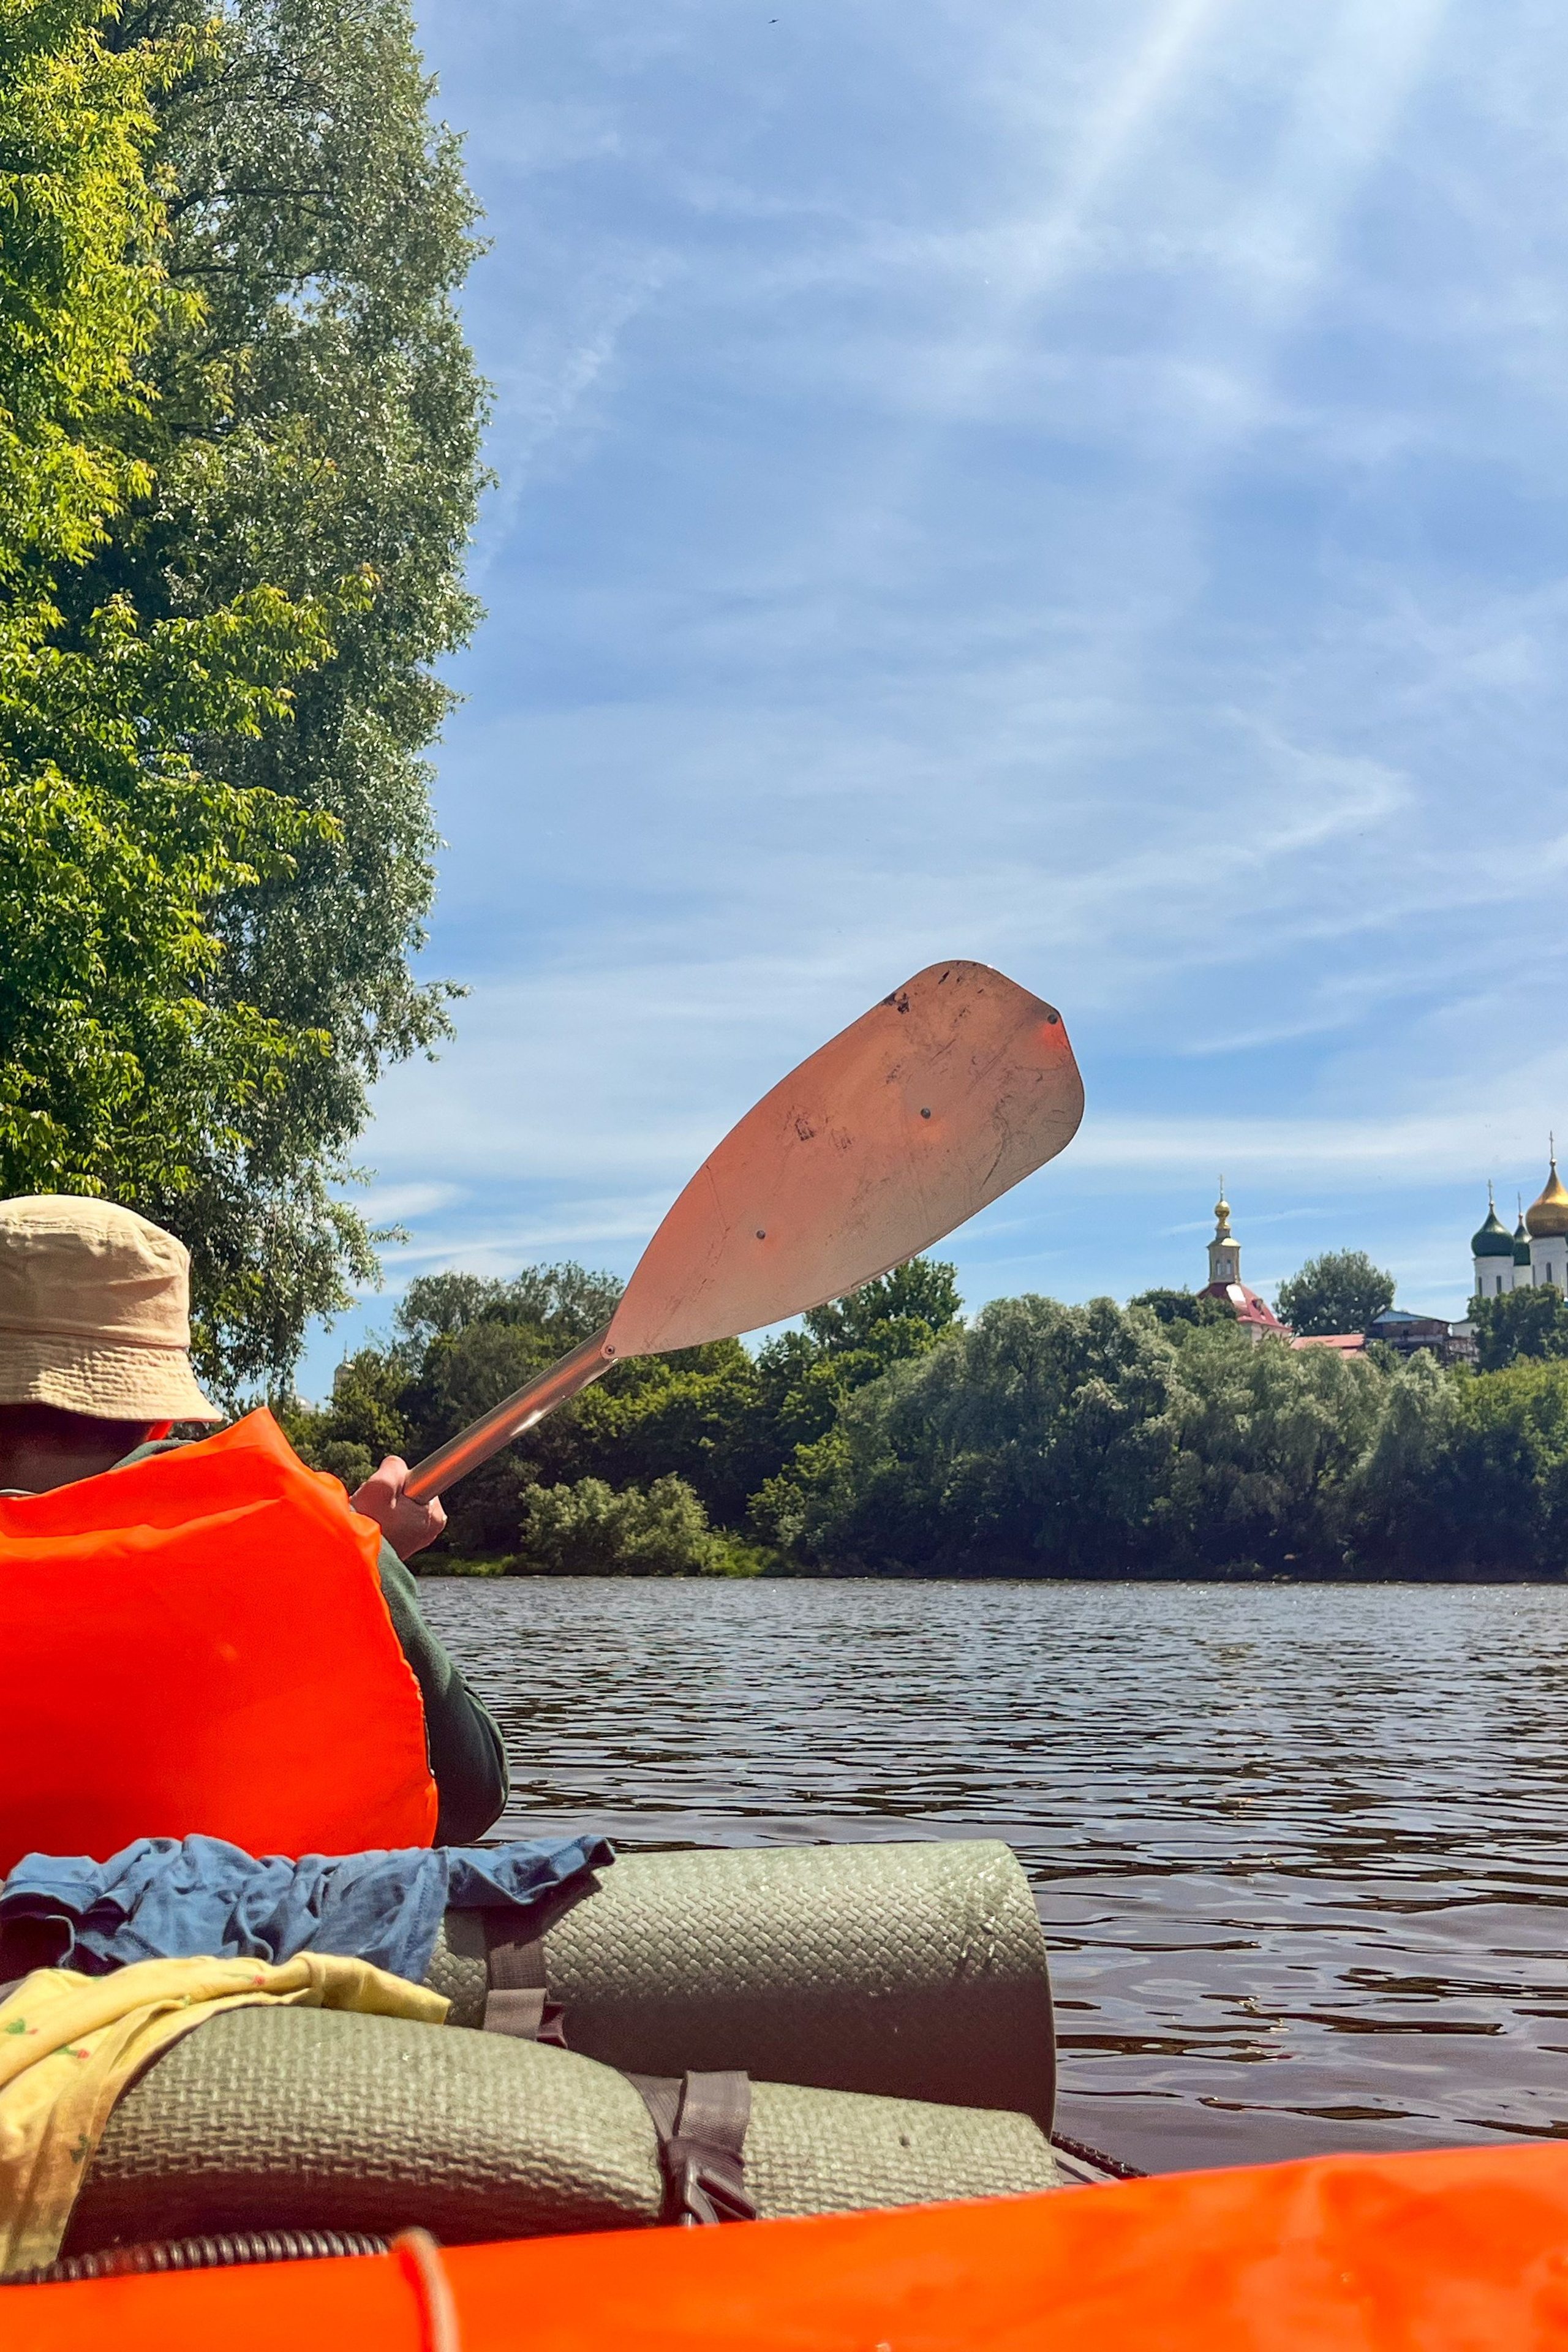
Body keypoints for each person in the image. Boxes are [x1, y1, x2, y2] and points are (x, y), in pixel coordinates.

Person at [0, 1194, 507, 1847]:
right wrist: (356, 1565)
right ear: (159, 1410)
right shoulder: (329, 1544)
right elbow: (471, 1793)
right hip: (246, 1946)